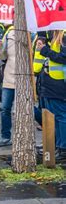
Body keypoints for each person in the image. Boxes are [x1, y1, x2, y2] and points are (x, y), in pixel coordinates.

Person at [36, 30, 66, 161]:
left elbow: (63, 58)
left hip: (58, 85)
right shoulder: (52, 35)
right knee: (55, 118)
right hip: (49, 85)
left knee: (61, 117)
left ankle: (63, 148)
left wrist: (45, 50)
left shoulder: (63, 36)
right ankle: (56, 146)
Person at [0, 25, 15, 147]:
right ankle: (5, 137)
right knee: (5, 108)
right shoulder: (9, 33)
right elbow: (3, 56)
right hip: (9, 77)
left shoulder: (30, 32)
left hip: (24, 78)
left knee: (29, 109)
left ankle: (49, 130)